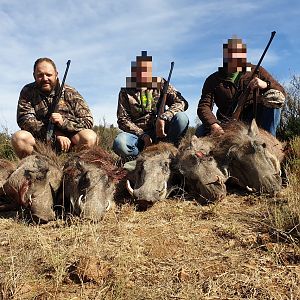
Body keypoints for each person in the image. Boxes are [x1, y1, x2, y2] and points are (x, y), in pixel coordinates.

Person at [196, 36, 286, 137]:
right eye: (231, 54)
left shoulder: (257, 70)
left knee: (274, 97)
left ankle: (269, 140)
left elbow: (281, 91)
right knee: (201, 131)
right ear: (225, 55)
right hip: (225, 123)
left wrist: (265, 85)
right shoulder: (212, 80)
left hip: (254, 121)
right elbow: (204, 106)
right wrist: (214, 124)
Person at [11, 57, 97, 158]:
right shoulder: (27, 91)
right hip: (42, 141)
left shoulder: (70, 91)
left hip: (70, 141)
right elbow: (24, 120)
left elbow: (87, 121)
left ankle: (77, 167)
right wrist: (56, 134)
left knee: (89, 137)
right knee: (19, 138)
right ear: (34, 75)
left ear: (56, 74)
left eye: (49, 75)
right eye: (40, 75)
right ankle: (33, 170)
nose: (45, 79)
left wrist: (63, 123)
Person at [113, 51, 189, 159]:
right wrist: (143, 135)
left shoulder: (161, 83)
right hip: (137, 136)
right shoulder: (125, 91)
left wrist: (165, 117)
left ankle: (170, 153)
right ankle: (139, 159)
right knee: (120, 143)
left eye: (145, 71)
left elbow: (182, 102)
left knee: (182, 118)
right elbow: (122, 119)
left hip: (162, 132)